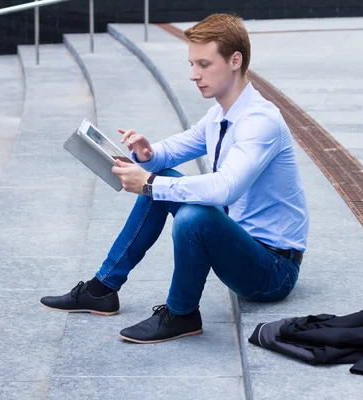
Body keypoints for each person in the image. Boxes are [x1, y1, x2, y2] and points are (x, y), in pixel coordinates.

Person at [40, 13, 309, 344]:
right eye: (192, 64)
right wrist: (146, 154)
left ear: (235, 60)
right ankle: (103, 288)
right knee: (165, 177)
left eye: (204, 64)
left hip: (273, 270)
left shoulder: (259, 122)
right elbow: (174, 150)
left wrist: (150, 183)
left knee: (192, 214)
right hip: (241, 242)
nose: (194, 75)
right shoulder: (219, 115)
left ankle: (181, 314)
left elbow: (226, 187)